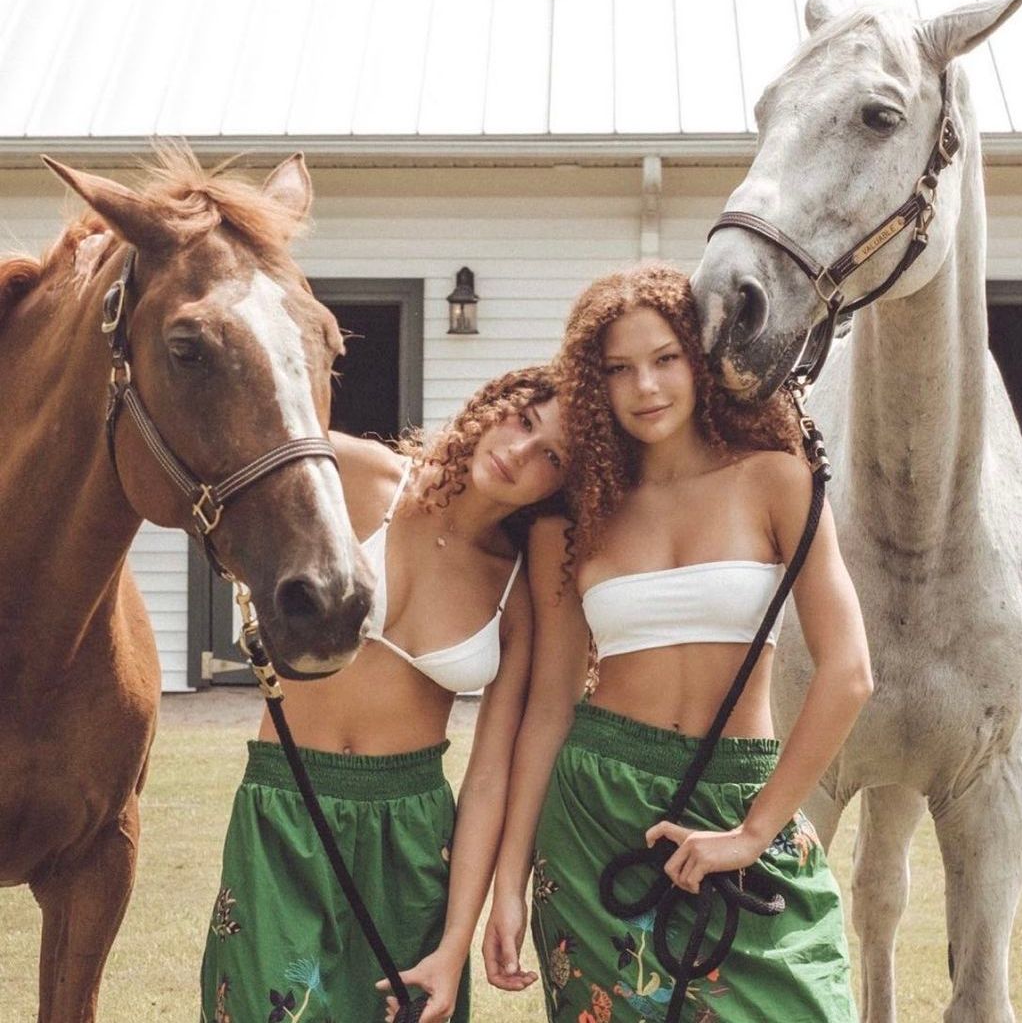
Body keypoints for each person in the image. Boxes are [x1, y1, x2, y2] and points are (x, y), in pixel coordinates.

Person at [483, 265, 871, 1021]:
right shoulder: (574, 521)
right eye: (618, 370)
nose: (645, 387)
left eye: (664, 359)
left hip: (738, 799)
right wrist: (509, 882)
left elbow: (848, 672)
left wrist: (756, 830)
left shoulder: (777, 483)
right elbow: (548, 710)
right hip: (595, 815)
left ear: (699, 362)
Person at [200, 365, 567, 1023]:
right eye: (524, 420)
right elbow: (221, 460)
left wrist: (455, 944)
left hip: (415, 839)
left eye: (552, 456)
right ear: (494, 403)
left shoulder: (512, 588)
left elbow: (487, 780)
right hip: (289, 808)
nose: (519, 452)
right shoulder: (353, 473)